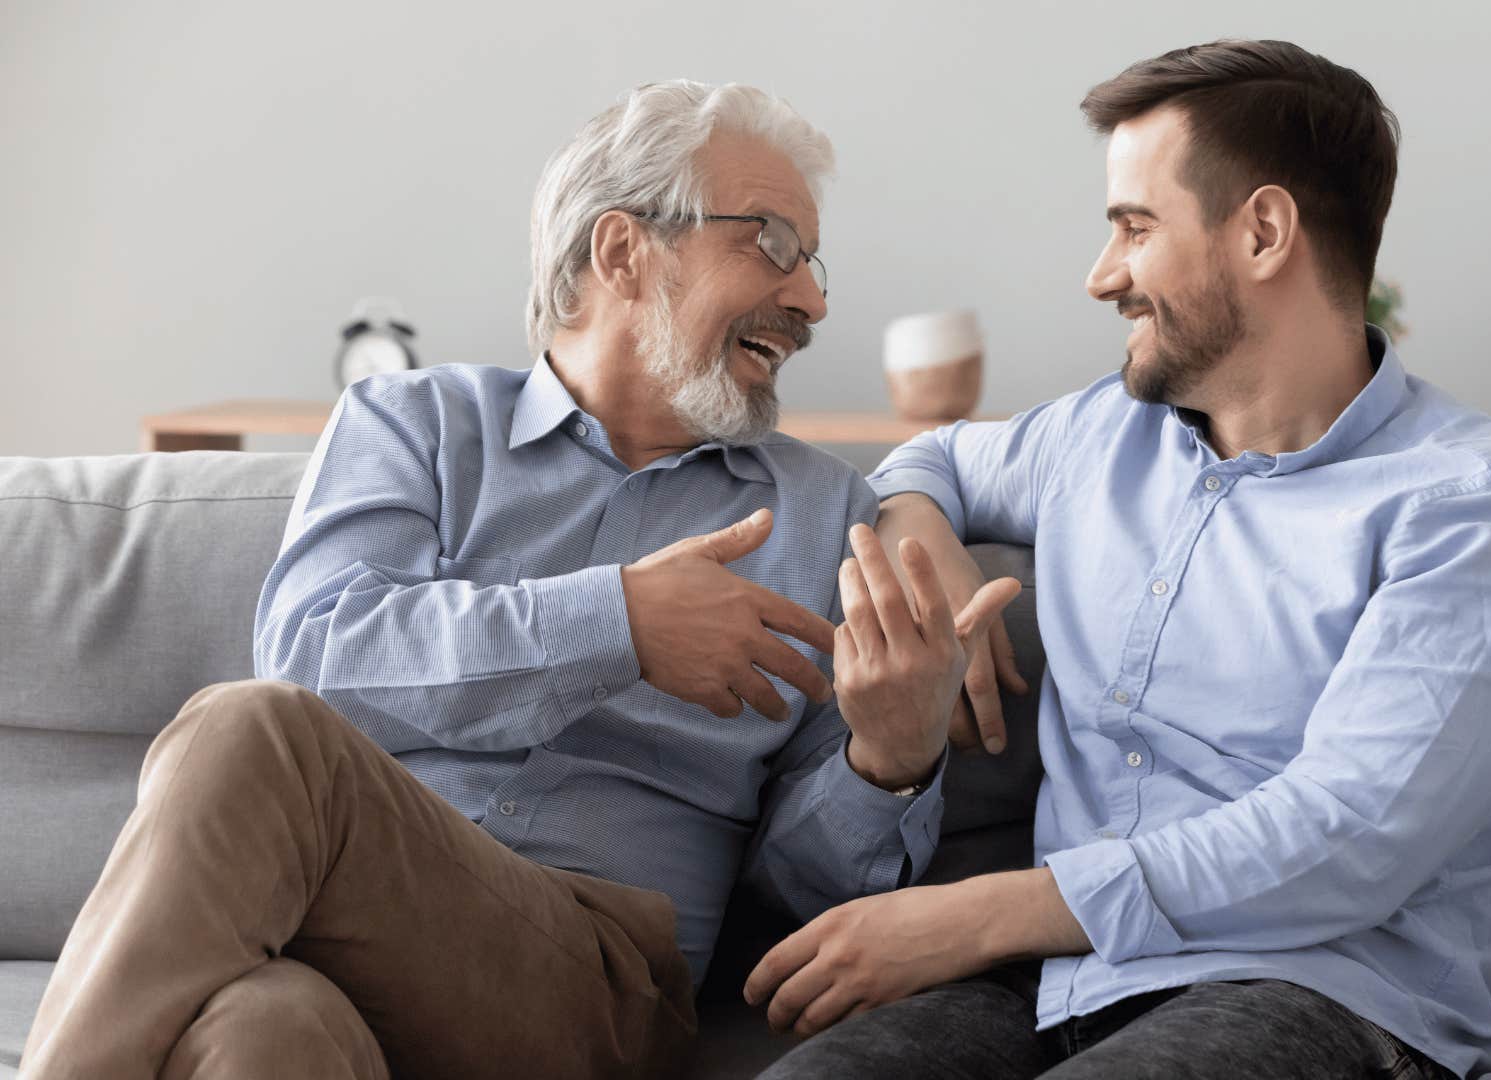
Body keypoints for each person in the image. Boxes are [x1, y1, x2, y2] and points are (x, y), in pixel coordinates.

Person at [21, 80, 1013, 1080]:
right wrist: (615, 623)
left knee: (248, 732)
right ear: (623, 250)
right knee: (262, 1029)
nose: (812, 300)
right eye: (773, 243)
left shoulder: (821, 513)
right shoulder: (413, 427)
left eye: (812, 261)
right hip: (342, 926)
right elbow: (315, 653)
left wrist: (888, 758)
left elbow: (806, 900)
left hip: (596, 977)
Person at [748, 40, 1491, 1080]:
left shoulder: (1475, 514)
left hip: (1320, 995)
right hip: (1055, 984)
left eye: (1134, 228)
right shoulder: (1099, 437)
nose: (1101, 274)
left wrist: (977, 916)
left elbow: (1347, 834)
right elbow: (926, 459)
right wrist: (929, 548)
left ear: (1264, 232)